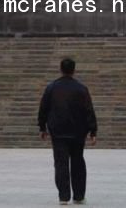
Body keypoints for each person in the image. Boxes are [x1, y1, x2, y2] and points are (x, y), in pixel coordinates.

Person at [38, 58, 97, 205]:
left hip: (58, 132)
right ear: (74, 70)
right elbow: (89, 110)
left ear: (61, 69)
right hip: (78, 132)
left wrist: (42, 127)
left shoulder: (52, 88)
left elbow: (43, 108)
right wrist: (93, 131)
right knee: (78, 163)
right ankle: (79, 195)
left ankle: (63, 196)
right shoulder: (81, 89)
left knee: (61, 164)